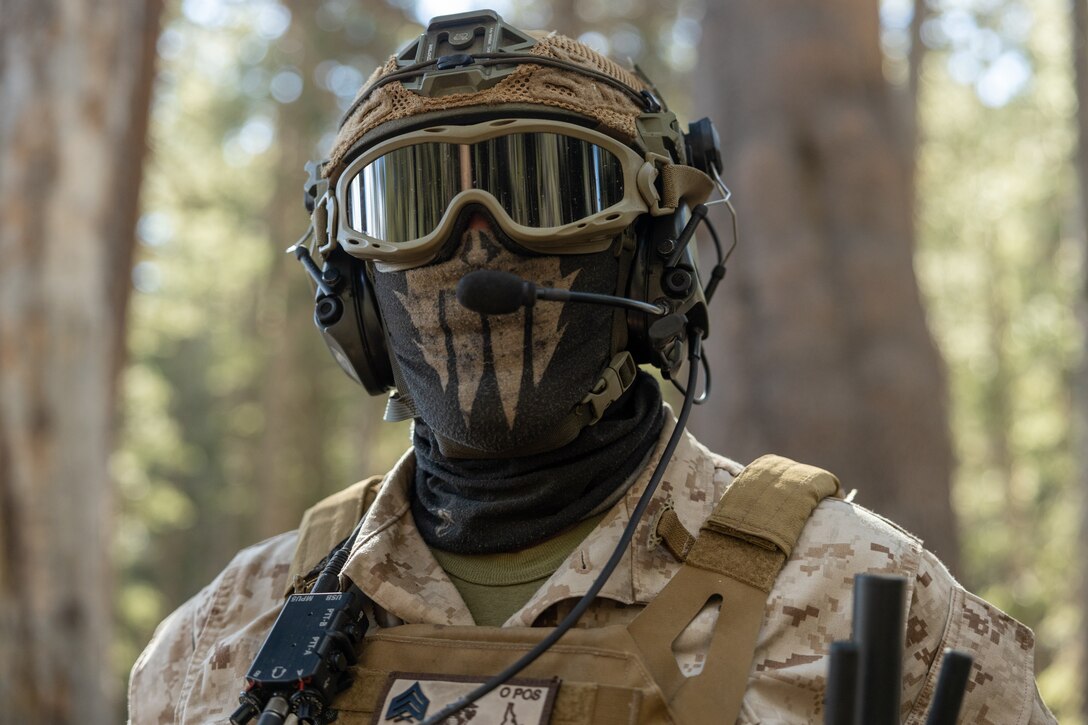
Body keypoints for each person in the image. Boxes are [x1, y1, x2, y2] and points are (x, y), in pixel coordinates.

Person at [129, 10, 1056, 724]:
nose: (473, 254)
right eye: (409, 205)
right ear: (352, 293)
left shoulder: (869, 604)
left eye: (544, 189)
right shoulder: (224, 638)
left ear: (657, 256)